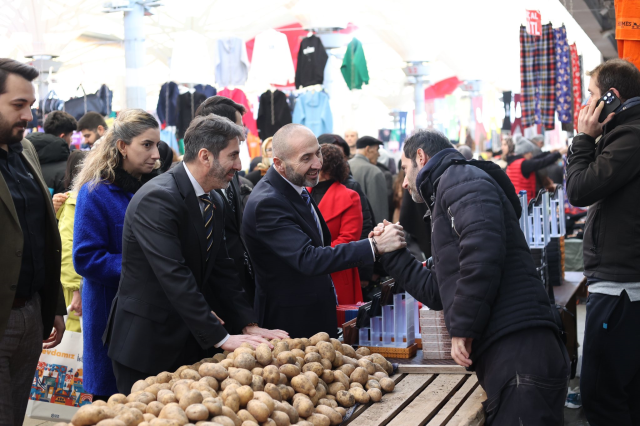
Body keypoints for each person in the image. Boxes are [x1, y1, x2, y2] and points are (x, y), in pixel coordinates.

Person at [376, 129, 569, 425]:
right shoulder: (450, 189)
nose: (403, 181)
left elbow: (483, 253)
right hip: (510, 352)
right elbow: (438, 292)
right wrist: (391, 253)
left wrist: (462, 328)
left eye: (404, 169)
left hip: (519, 348)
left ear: (420, 157)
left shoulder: (459, 179)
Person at [105, 114, 287, 394]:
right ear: (205, 156)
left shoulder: (214, 198)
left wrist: (247, 324)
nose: (240, 166)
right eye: (233, 156)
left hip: (188, 340)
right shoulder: (158, 198)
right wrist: (222, 337)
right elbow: (173, 274)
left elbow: (222, 268)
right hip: (147, 343)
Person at [243, 124, 406, 338]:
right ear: (278, 164)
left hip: (313, 313)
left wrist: (371, 242)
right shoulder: (268, 201)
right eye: (306, 158)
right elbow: (308, 258)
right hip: (290, 323)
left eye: (318, 153)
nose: (318, 163)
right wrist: (374, 246)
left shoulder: (295, 186)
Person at [566, 58, 640, 426]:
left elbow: (579, 188)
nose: (587, 103)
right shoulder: (625, 133)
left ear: (611, 98)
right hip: (621, 285)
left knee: (602, 396)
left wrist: (583, 138)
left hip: (621, 289)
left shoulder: (631, 136)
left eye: (592, 94)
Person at [72, 109, 162, 399]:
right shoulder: (95, 192)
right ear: (123, 146)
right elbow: (86, 258)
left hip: (152, 312)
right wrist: (144, 268)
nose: (155, 153)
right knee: (111, 399)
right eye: (146, 145)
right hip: (111, 313)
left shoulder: (156, 188)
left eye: (156, 145)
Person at [0, 58, 66, 426]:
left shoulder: (25, 152)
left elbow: (40, 234)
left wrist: (51, 303)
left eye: (31, 105)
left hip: (30, 315)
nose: (28, 115)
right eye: (18, 105)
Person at [194, 95, 256, 306]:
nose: (244, 132)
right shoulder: (185, 185)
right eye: (240, 126)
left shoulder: (233, 170)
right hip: (208, 297)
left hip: (237, 286)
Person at [307, 144, 363, 305]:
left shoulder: (350, 196)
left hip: (337, 270)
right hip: (306, 270)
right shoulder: (303, 193)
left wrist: (315, 254)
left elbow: (349, 238)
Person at [56, 150, 88, 333]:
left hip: (80, 286)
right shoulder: (73, 202)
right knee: (75, 351)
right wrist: (76, 291)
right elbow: (67, 248)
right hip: (75, 290)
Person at [26, 110, 77, 194]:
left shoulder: (25, 156)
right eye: (71, 135)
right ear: (62, 136)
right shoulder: (67, 170)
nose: (71, 140)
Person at [349, 136, 389, 224]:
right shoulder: (375, 172)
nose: (379, 154)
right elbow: (379, 210)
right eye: (377, 149)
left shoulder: (345, 166)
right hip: (369, 231)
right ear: (367, 149)